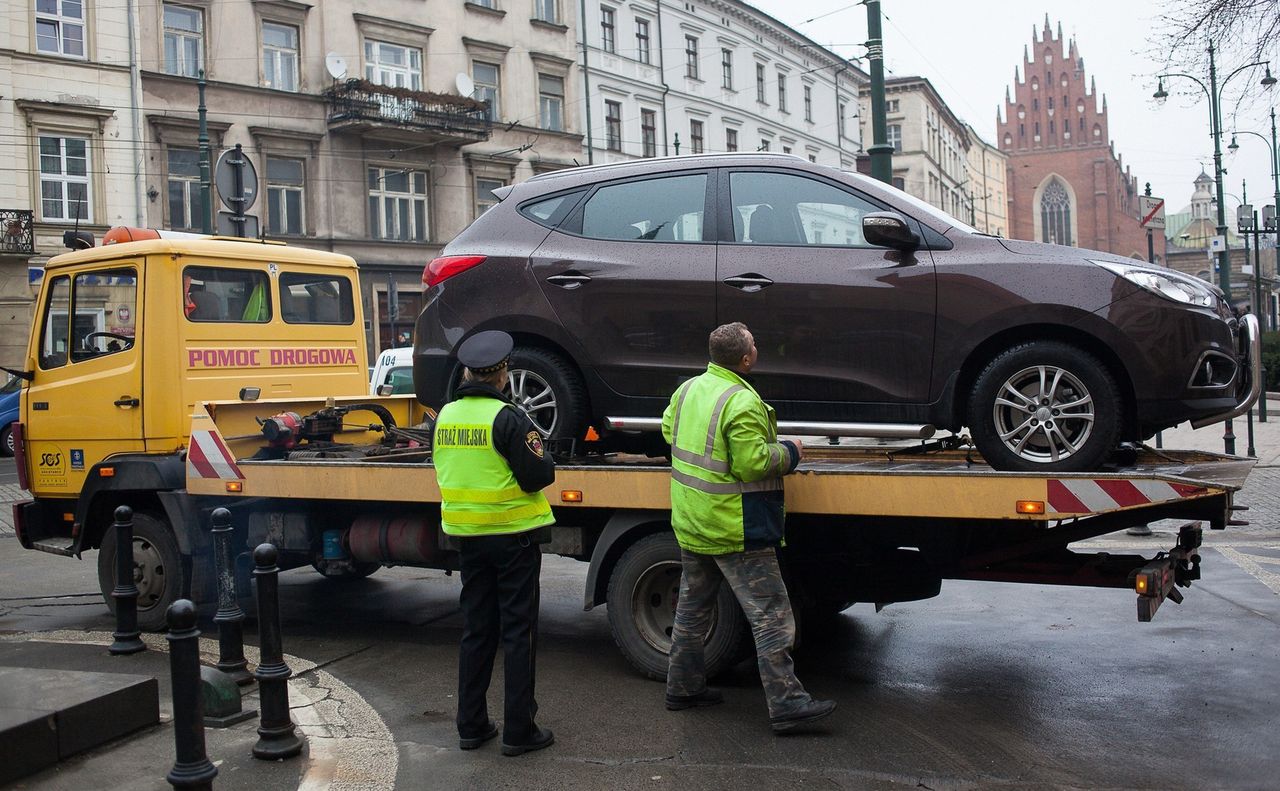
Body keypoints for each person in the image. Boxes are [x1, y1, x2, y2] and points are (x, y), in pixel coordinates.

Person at [662, 321, 836, 734]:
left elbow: (669, 430)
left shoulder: (688, 390)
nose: (757, 347)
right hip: (733, 526)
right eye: (754, 344)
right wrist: (790, 451)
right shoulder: (740, 402)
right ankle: (787, 703)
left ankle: (682, 688)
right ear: (745, 358)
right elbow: (753, 463)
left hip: (693, 520)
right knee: (772, 616)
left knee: (691, 610)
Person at [434, 330, 557, 756]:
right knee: (518, 633)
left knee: (477, 630)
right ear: (502, 374)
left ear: (468, 373)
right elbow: (539, 475)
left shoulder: (445, 417)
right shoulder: (508, 418)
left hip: (469, 540)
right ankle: (518, 731)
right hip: (513, 539)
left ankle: (471, 725)